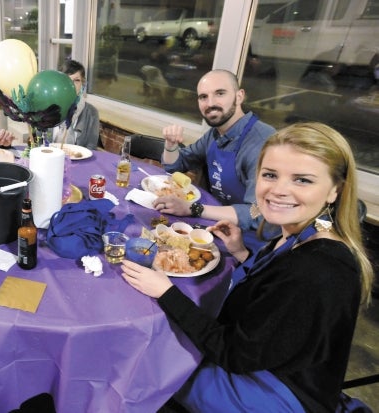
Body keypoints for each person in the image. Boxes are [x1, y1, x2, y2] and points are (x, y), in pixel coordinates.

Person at [121, 122, 374, 412]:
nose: (279, 190)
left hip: (272, 392)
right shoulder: (311, 230)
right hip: (273, 364)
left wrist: (165, 291)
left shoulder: (319, 271)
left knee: (140, 361)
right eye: (270, 175)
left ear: (334, 191)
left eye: (302, 180)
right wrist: (241, 252)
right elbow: (276, 298)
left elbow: (233, 354)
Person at [155, 69, 276, 231]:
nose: (210, 103)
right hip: (214, 224)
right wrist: (170, 144)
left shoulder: (262, 143)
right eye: (203, 97)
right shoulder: (214, 134)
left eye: (220, 93)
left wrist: (194, 208)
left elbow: (259, 212)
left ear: (239, 96)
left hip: (250, 239)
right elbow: (175, 166)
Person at [53, 59, 100, 149]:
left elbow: (91, 148)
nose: (71, 84)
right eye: (67, 79)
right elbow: (39, 143)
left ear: (82, 83)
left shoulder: (92, 113)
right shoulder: (47, 108)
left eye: (76, 80)